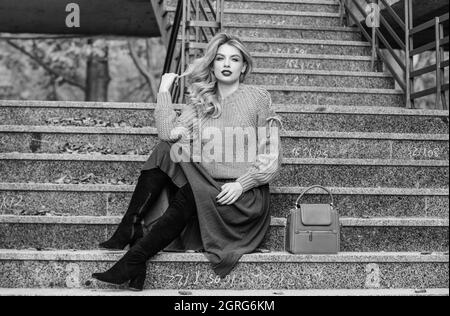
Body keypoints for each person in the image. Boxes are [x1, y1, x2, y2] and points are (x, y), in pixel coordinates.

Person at [92, 32, 283, 291]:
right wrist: (163, 92)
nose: (226, 64)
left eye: (234, 59)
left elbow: (271, 155)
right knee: (165, 149)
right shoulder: (201, 101)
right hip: (206, 189)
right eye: (220, 58)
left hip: (241, 199)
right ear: (212, 65)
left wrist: (242, 184)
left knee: (192, 190)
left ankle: (134, 255)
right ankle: (131, 228)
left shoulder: (259, 98)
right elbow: (169, 134)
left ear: (244, 66)